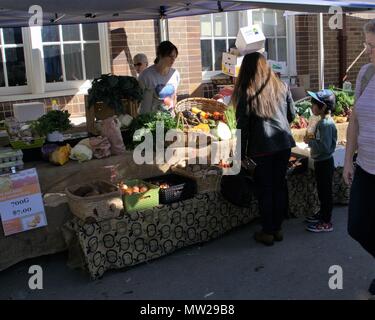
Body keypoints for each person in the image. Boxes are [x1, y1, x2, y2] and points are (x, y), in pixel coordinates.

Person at [233, 52, 296, 246]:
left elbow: (241, 127)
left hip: (262, 148)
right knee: (278, 186)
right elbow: (291, 115)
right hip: (283, 144)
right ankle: (277, 228)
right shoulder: (281, 86)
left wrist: (239, 155)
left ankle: (268, 231)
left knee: (265, 190)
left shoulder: (246, 91)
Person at [343, 19, 375, 297]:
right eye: (367, 44)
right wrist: (347, 160)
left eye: (374, 47)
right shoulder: (365, 73)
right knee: (357, 226)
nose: (368, 51)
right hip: (366, 166)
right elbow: (354, 120)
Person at [304, 89, 337, 232]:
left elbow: (324, 146)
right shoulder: (321, 121)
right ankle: (323, 214)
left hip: (324, 162)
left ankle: (326, 222)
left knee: (325, 193)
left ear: (323, 107)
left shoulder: (326, 124)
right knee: (322, 191)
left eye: (314, 104)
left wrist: (310, 141)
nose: (312, 107)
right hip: (321, 162)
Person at [138, 41, 180, 115]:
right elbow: (137, 99)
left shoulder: (175, 74)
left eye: (174, 56)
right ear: (160, 55)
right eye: (170, 56)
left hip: (169, 120)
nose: (173, 59)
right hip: (149, 120)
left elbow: (174, 96)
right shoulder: (146, 75)